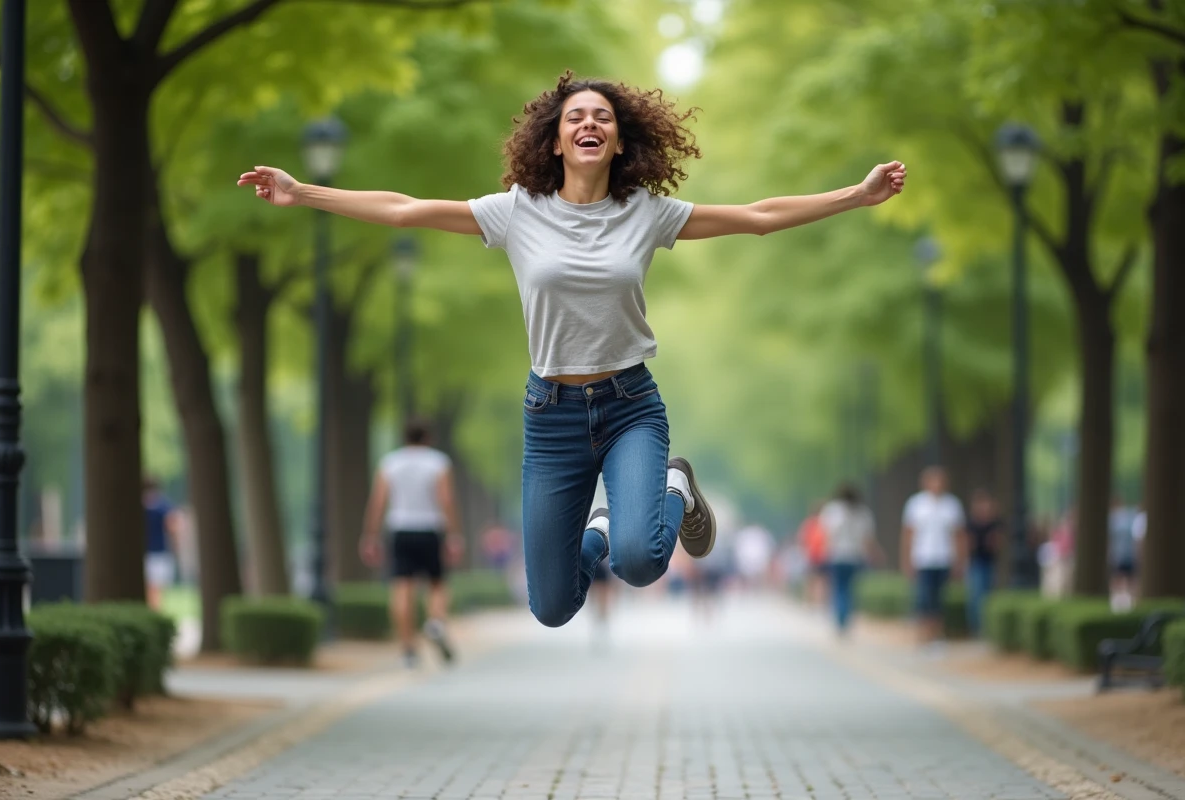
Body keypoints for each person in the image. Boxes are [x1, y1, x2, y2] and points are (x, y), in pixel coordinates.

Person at [239, 72, 907, 628]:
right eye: (575, 117)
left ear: (619, 141)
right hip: (551, 415)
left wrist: (857, 194)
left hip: (629, 406)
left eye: (603, 117)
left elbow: (757, 218)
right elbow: (404, 209)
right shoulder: (516, 211)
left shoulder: (646, 212)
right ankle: (601, 528)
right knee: (553, 607)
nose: (589, 123)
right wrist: (303, 192)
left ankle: (673, 485)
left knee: (640, 561)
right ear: (555, 140)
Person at [360, 418, 462, 667]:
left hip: (400, 529)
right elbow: (446, 499)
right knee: (437, 583)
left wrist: (370, 535)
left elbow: (378, 501)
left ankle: (408, 649)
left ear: (404, 437)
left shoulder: (390, 463)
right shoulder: (438, 462)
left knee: (402, 587)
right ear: (428, 438)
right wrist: (453, 534)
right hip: (430, 528)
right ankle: (435, 622)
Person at [900, 467, 966, 645]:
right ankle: (924, 635)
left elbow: (959, 535)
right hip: (922, 558)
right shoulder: (916, 505)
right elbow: (908, 535)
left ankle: (937, 634)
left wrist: (960, 560)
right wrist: (906, 560)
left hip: (944, 558)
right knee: (924, 598)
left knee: (938, 599)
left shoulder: (952, 505)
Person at [819, 482, 882, 637]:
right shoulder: (863, 513)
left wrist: (825, 552)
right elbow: (867, 539)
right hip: (855, 556)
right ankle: (846, 617)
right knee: (849, 589)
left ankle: (840, 617)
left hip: (837, 555)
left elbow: (827, 534)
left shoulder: (833, 511)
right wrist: (874, 554)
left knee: (839, 588)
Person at [964, 489, 1003, 635]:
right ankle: (977, 628)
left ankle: (986, 626)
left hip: (989, 562)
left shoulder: (994, 523)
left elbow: (997, 542)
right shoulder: (971, 523)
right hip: (976, 562)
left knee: (988, 595)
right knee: (976, 595)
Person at [142, 476, 180, 611]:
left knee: (151, 590)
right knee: (157, 590)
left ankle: (152, 611)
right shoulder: (164, 506)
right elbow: (173, 528)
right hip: (160, 553)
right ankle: (155, 612)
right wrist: (175, 547)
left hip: (147, 553)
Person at [1108, 497, 1142, 611]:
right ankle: (1132, 604)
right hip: (1128, 555)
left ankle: (1118, 605)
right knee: (1130, 581)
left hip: (1119, 556)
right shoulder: (1130, 518)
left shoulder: (1114, 519)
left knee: (1118, 581)